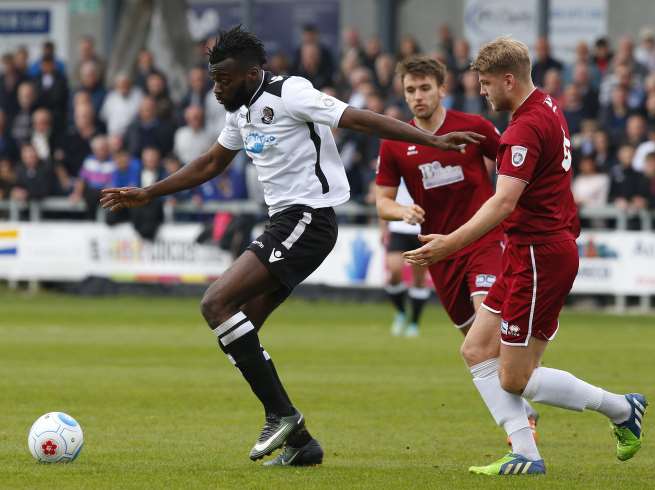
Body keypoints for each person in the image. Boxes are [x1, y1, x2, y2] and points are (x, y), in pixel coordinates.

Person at [100, 26, 483, 467]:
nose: (217, 87)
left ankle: (281, 414)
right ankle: (300, 441)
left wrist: (431, 140)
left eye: (223, 78)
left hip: (309, 218)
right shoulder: (240, 112)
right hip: (286, 222)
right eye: (213, 78)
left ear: (250, 73)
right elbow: (211, 162)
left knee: (215, 303)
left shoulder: (291, 92)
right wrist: (150, 192)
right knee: (238, 328)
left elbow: (355, 117)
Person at [404, 37, 647, 476]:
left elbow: (502, 204)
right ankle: (526, 455)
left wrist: (449, 244)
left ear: (508, 79)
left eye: (486, 82)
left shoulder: (523, 129)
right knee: (477, 349)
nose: (482, 91)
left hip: (539, 256)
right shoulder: (546, 105)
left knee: (515, 377)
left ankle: (620, 409)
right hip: (528, 252)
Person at [376, 55, 539, 437]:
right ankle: (525, 406)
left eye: (425, 88)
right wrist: (402, 210)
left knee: (488, 336)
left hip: (484, 240)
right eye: (410, 90)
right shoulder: (397, 143)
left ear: (441, 89)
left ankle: (523, 427)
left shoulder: (474, 127)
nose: (418, 97)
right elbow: (381, 200)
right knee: (478, 348)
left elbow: (512, 165)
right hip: (441, 252)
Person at [382, 179, 429, 337]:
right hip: (398, 227)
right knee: (394, 272)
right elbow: (384, 198)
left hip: (421, 229)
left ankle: (414, 323)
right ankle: (401, 311)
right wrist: (383, 228)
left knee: (419, 279)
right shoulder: (394, 164)